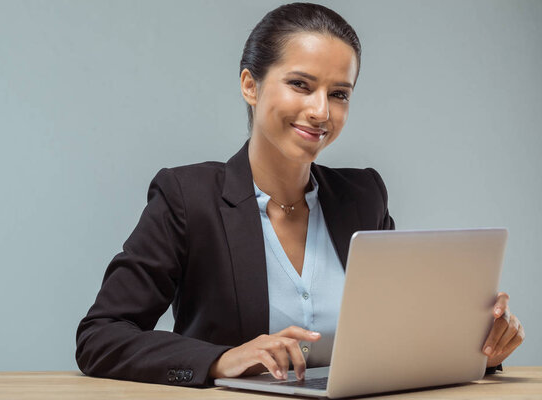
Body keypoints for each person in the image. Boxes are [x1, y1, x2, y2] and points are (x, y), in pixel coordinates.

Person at [75, 2, 524, 387]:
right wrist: (218, 360)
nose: (321, 111)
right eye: (301, 85)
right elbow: (101, 336)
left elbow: (398, 337)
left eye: (340, 93)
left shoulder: (363, 195)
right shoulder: (187, 197)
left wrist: (479, 342)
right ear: (250, 85)